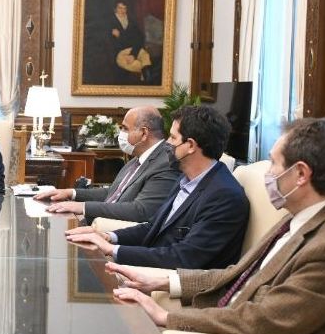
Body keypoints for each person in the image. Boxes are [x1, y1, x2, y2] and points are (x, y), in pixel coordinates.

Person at [111, 118, 325, 334]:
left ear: (301, 174)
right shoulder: (294, 219)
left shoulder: (323, 246)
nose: (268, 173)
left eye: (273, 163)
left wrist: (165, 317)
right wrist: (161, 281)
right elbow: (237, 274)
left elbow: (267, 320)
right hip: (225, 313)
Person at [66, 106, 249, 269]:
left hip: (174, 280)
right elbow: (153, 227)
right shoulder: (185, 179)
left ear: (191, 145)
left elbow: (184, 257)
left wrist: (114, 250)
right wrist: (108, 236)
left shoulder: (224, 196)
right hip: (153, 262)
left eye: (172, 137)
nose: (167, 143)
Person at [36, 106, 178, 223]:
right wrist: (70, 193)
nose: (120, 134)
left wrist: (82, 207)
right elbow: (113, 193)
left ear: (144, 133)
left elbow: (141, 211)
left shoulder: (165, 163)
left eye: (125, 128)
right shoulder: (137, 158)